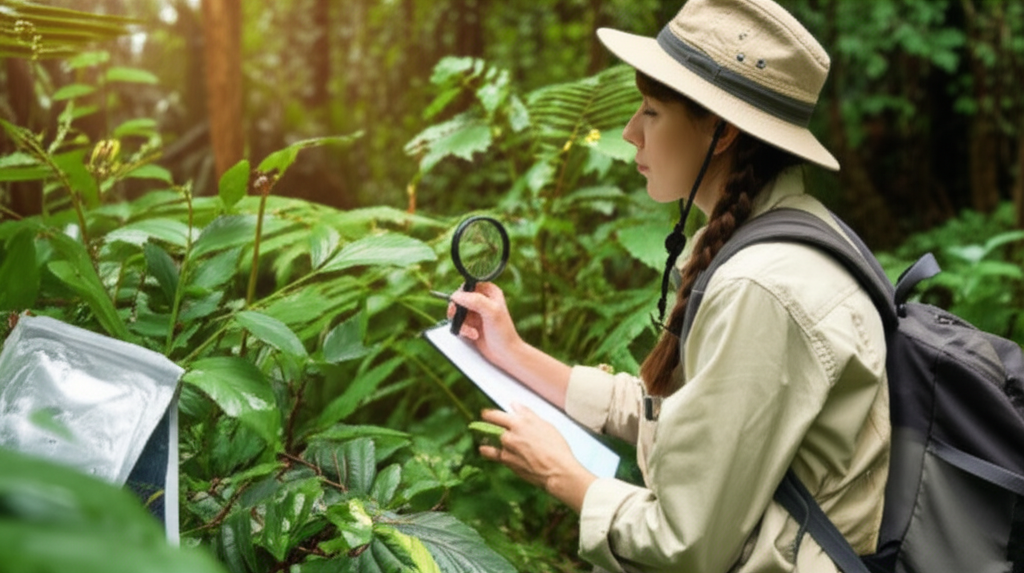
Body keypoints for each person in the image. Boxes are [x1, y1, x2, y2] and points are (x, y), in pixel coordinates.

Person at [448, 0, 891, 571]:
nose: (630, 132)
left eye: (652, 111)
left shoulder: (759, 287)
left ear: (723, 131)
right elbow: (687, 420)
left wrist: (563, 475)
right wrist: (512, 353)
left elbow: (687, 545)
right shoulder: (791, 234)